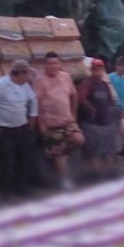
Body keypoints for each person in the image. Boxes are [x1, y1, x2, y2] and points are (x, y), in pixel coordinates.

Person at [0, 59, 39, 197]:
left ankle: (23, 188)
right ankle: (8, 190)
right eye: (27, 74)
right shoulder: (1, 85)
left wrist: (32, 118)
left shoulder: (25, 85)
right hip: (5, 129)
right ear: (19, 74)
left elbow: (33, 100)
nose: (28, 77)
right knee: (8, 160)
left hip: (22, 127)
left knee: (24, 159)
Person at [32, 52, 85, 189]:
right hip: (51, 123)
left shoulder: (66, 76)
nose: (52, 66)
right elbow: (35, 103)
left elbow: (74, 95)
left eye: (55, 63)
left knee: (79, 139)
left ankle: (59, 153)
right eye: (49, 63)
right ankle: (65, 180)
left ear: (59, 64)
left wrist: (73, 114)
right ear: (45, 65)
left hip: (67, 120)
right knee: (58, 152)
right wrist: (41, 123)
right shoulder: (40, 80)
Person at [77, 59, 122, 176]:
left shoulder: (103, 85)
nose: (98, 71)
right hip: (92, 124)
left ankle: (111, 173)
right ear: (92, 70)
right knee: (93, 151)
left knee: (109, 150)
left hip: (105, 124)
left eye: (100, 69)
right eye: (96, 69)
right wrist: (91, 110)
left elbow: (111, 101)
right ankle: (94, 175)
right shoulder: (88, 83)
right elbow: (81, 98)